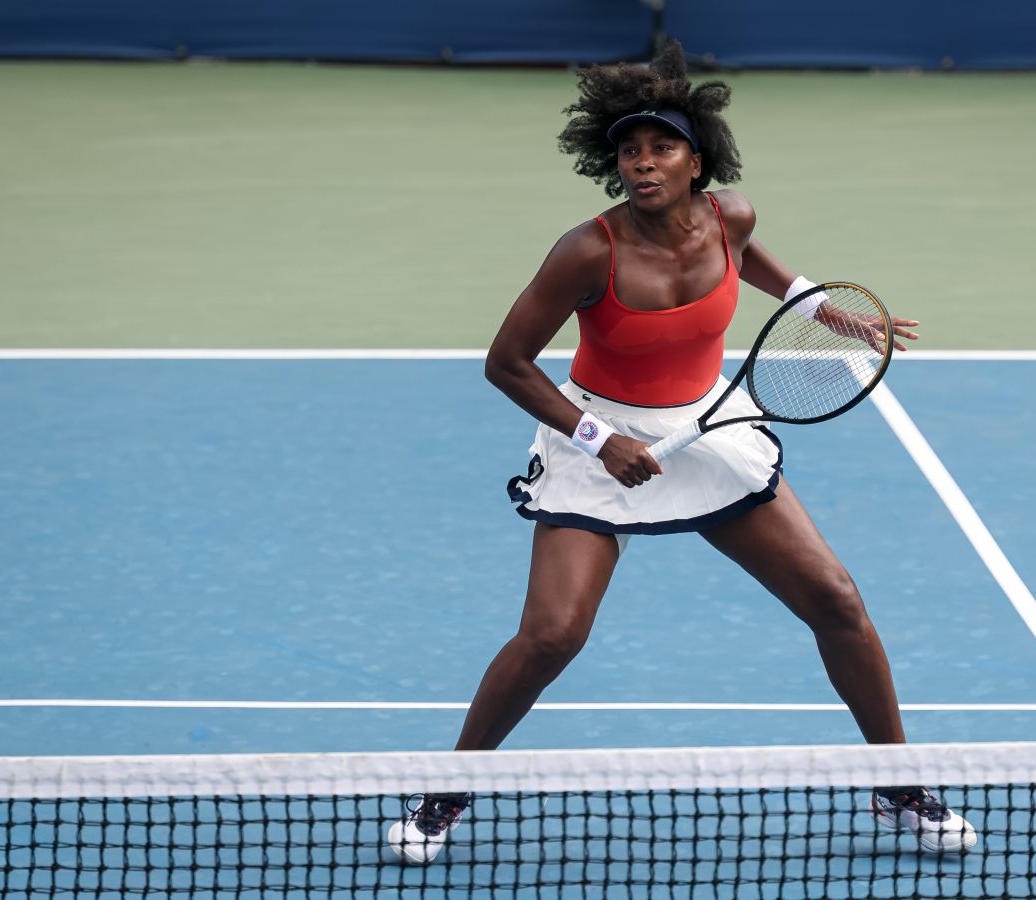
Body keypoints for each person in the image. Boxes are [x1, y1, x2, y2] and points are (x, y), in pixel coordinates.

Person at [389, 42, 976, 861]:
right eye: (629, 150)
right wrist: (600, 440)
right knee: (553, 635)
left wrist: (822, 308)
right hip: (597, 434)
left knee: (836, 600)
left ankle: (898, 782)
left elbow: (751, 259)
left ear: (696, 162)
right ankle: (445, 792)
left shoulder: (730, 215)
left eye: (661, 147)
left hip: (706, 426)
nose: (642, 162)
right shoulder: (587, 251)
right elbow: (507, 363)